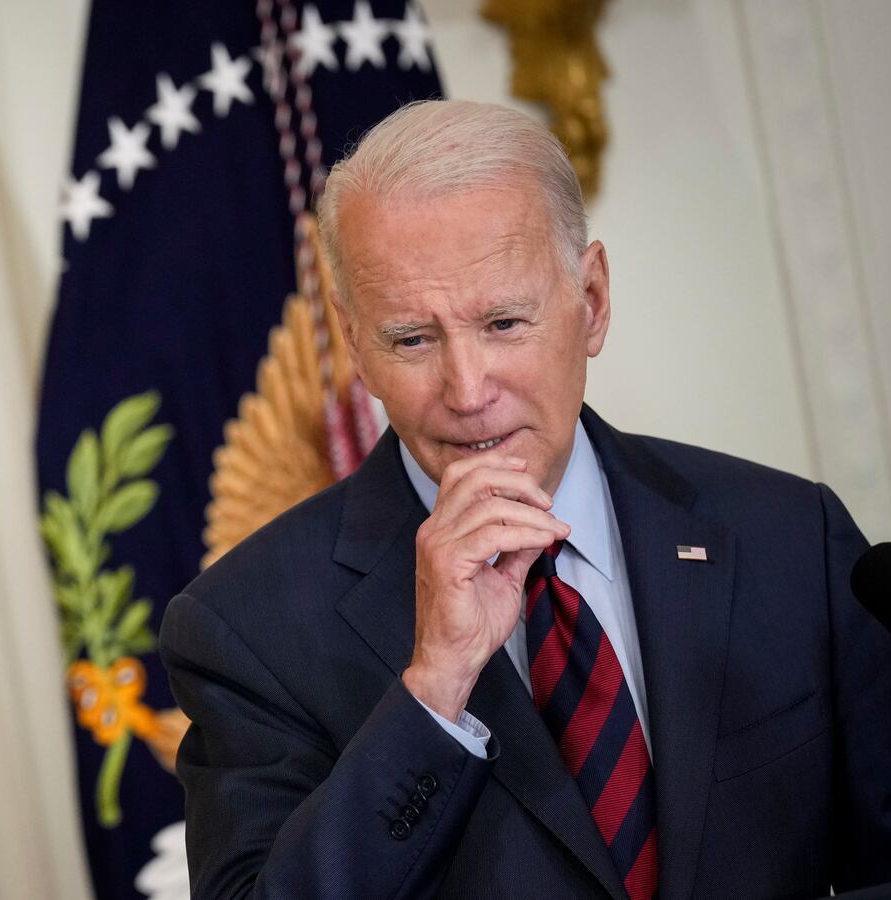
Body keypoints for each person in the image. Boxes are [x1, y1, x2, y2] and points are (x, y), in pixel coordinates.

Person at [159, 100, 891, 899]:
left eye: (504, 322)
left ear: (594, 301)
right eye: (412, 339)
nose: (469, 392)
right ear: (354, 344)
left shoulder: (793, 543)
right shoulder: (244, 629)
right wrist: (434, 689)